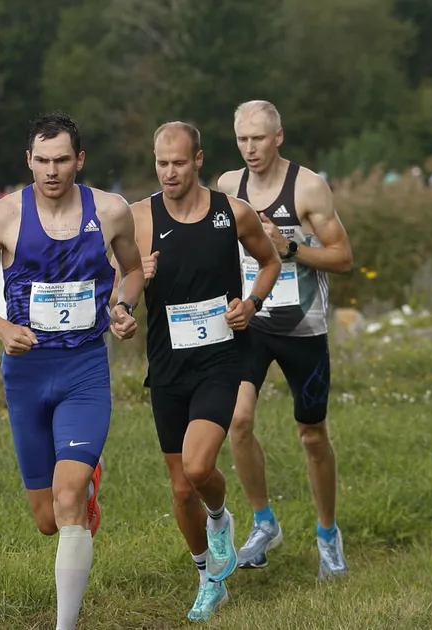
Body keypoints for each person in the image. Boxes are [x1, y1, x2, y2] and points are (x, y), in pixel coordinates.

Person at [0, 112, 148, 630]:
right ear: (28, 161)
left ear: (79, 160)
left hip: (85, 370)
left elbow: (131, 272)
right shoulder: (1, 217)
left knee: (67, 500)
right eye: (42, 161)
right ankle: (87, 483)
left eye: (62, 160)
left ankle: (66, 625)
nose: (51, 171)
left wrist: (124, 308)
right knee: (47, 520)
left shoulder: (109, 211)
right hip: (25, 376)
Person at [126, 121, 280, 621]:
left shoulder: (232, 213)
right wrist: (129, 290)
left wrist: (252, 303)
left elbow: (270, 261)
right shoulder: (138, 219)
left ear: (198, 160)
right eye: (160, 163)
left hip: (220, 358)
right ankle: (208, 579)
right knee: (178, 488)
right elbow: (115, 285)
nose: (168, 173)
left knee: (197, 468)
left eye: (177, 163)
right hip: (167, 365)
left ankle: (220, 517)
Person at [216, 100, 353, 580]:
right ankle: (263, 522)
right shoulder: (230, 186)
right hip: (252, 321)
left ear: (278, 137)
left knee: (312, 435)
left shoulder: (308, 186)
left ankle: (328, 534)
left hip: (303, 328)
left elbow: (342, 257)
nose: (250, 149)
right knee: (237, 421)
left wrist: (290, 247)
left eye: (258, 138)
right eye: (242, 140)